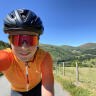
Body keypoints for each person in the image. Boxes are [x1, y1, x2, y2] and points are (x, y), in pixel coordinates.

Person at [0, 9, 54, 96]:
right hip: (17, 91)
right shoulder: (5, 57)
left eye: (31, 40)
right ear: (9, 41)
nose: (24, 48)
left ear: (38, 42)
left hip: (37, 87)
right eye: (17, 40)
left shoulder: (44, 57)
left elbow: (47, 85)